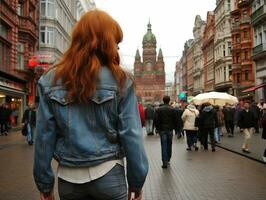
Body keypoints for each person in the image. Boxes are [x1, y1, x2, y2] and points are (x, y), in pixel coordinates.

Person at [33, 10, 148, 200]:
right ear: (107, 42)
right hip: (109, 174)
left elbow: (44, 137)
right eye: (116, 43)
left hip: (69, 178)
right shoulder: (121, 80)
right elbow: (132, 135)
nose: (117, 49)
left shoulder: (50, 80)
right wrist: (137, 181)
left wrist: (44, 183)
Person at [154, 96, 176, 168]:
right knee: (169, 144)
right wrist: (174, 128)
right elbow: (175, 119)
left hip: (162, 129)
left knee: (163, 145)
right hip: (170, 129)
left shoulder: (159, 109)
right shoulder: (172, 109)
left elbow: (156, 120)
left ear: (163, 101)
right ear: (169, 101)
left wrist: (157, 128)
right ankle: (168, 159)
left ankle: (164, 162)